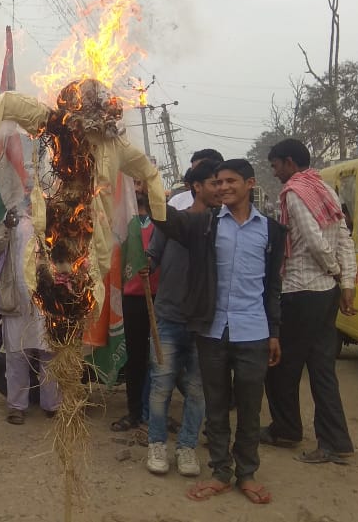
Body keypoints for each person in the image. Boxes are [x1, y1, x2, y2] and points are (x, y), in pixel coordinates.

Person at [153, 158, 285, 505]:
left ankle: (247, 473)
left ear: (250, 183)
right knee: (215, 406)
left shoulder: (271, 231)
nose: (223, 187)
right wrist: (146, 183)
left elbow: (272, 286)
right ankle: (221, 473)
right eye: (219, 182)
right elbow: (168, 220)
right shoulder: (206, 224)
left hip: (253, 332)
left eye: (231, 181)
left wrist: (273, 332)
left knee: (250, 407)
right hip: (212, 330)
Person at [263, 138, 356, 464]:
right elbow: (345, 238)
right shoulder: (326, 191)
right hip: (326, 295)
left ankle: (286, 429)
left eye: (275, 166)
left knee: (278, 367)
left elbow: (317, 243)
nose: (275, 173)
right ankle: (336, 441)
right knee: (322, 369)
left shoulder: (294, 192)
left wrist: (333, 270)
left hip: (301, 291)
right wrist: (345, 283)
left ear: (288, 162)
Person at [143, 161, 219, 477]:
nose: (221, 189)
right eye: (214, 183)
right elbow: (154, 254)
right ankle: (157, 443)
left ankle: (187, 447)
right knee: (161, 386)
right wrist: (146, 263)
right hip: (168, 316)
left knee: (198, 389)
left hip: (204, 320)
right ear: (197, 187)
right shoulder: (174, 222)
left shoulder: (221, 225)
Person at [0, 206, 61, 426]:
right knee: (17, 354)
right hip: (15, 297)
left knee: (50, 353)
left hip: (48, 296)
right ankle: (16, 406)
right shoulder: (5, 212)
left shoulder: (52, 207)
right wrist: (5, 226)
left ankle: (52, 405)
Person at [110, 188, 160, 435]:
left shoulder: (163, 220)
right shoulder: (122, 222)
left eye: (142, 181)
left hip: (160, 297)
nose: (138, 187)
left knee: (159, 359)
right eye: (134, 182)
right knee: (135, 358)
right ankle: (135, 411)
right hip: (130, 298)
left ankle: (155, 414)